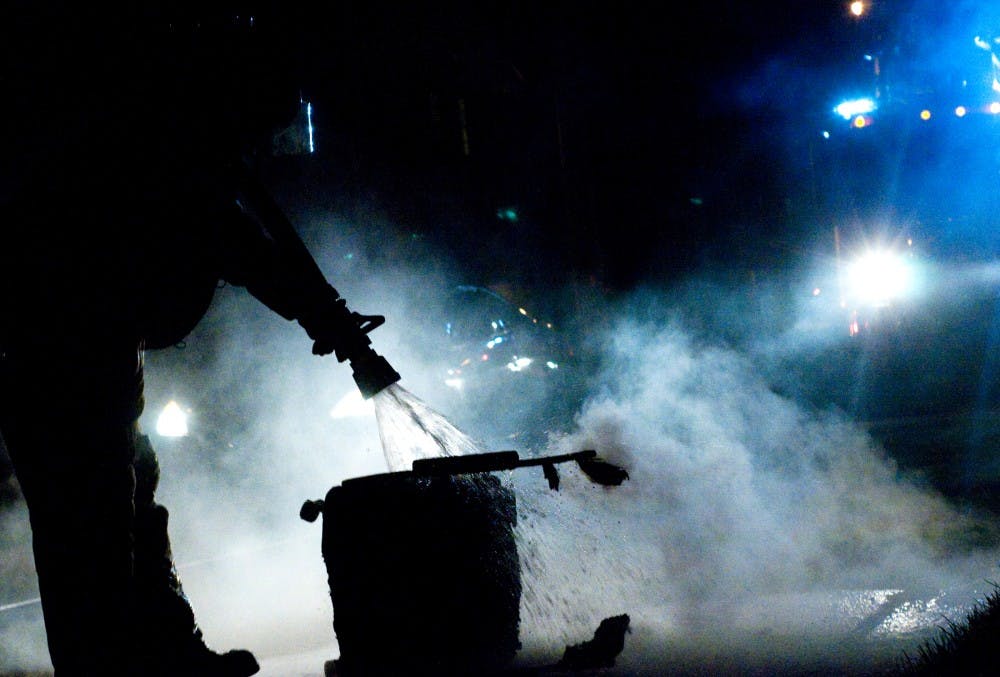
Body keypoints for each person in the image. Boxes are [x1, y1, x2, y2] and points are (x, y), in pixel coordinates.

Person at [0, 6, 397, 675]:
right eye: (255, 127)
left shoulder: (165, 143)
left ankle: (164, 648)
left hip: (89, 340)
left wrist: (324, 316)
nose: (256, 146)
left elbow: (238, 240)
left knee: (129, 497)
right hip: (60, 346)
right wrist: (324, 318)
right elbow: (239, 244)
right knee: (92, 524)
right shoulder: (154, 154)